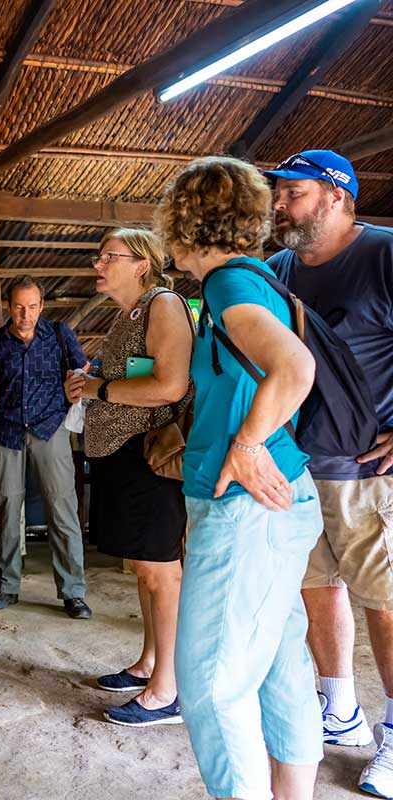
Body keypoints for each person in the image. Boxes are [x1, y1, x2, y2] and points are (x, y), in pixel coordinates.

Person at [156, 156, 322, 800]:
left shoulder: (228, 285)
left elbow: (294, 367)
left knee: (210, 683)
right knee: (279, 665)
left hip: (248, 509)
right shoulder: (252, 279)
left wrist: (247, 444)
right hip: (281, 500)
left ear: (185, 222)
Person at [266, 149, 393, 798]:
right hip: (298, 466)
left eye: (294, 194)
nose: (280, 205)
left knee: (386, 604)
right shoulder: (279, 270)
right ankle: (340, 707)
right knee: (317, 588)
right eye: (279, 194)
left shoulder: (384, 255)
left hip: (368, 471)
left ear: (337, 196)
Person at [64, 228, 192, 728]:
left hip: (148, 455)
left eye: (108, 257)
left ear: (141, 264)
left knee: (161, 570)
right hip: (122, 454)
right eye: (98, 257)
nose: (98, 264)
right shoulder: (128, 315)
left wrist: (97, 387)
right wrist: (87, 384)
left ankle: (168, 690)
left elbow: (169, 386)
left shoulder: (164, 305)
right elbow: (124, 378)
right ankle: (149, 664)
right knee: (143, 566)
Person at [0, 275, 92, 619]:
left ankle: (73, 592)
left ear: (42, 306)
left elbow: (82, 369)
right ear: (8, 306)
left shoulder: (59, 334)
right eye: (19, 307)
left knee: (63, 507)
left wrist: (71, 390)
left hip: (50, 429)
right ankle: (6, 587)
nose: (26, 314)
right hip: (6, 432)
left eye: (33, 307)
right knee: (8, 507)